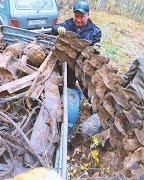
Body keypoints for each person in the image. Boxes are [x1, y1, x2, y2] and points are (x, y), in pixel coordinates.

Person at [52, 1, 102, 134]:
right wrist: (57, 29)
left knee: (88, 87)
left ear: (88, 15)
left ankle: (93, 109)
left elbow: (97, 46)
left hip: (83, 68)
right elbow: (54, 28)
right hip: (68, 64)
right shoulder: (68, 24)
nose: (78, 20)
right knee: (67, 81)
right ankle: (66, 97)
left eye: (82, 16)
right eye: (76, 16)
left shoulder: (95, 31)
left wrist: (96, 48)